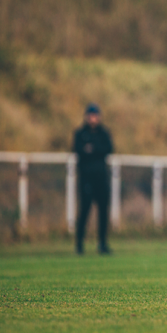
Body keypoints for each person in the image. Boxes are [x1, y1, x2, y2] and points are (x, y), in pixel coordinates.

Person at [73, 103, 114, 255]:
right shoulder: (80, 133)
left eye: (95, 115)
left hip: (101, 178)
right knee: (84, 211)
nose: (93, 118)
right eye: (90, 115)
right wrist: (94, 150)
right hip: (86, 179)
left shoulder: (103, 133)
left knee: (103, 212)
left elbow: (108, 149)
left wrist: (92, 149)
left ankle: (102, 244)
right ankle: (79, 244)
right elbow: (78, 150)